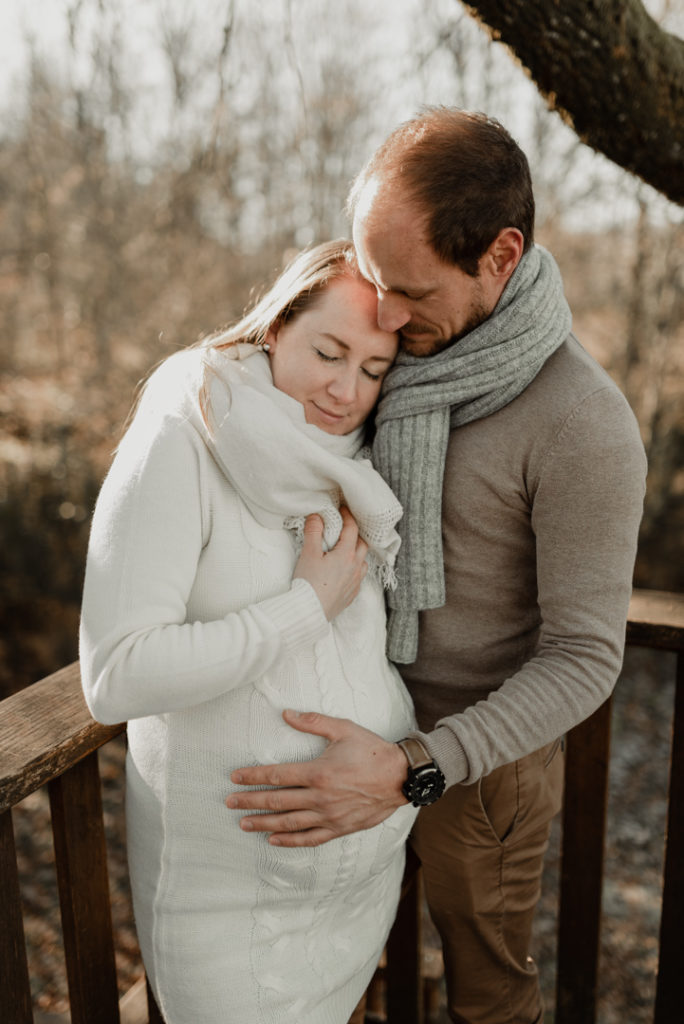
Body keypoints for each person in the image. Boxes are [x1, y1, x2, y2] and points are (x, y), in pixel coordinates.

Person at [225, 109, 648, 1024]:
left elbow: (585, 657)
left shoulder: (584, 422)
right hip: (337, 722)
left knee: (487, 1001)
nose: (383, 313)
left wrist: (415, 766)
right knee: (325, 971)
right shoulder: (382, 357)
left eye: (411, 290)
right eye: (376, 280)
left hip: (477, 767)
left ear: (500, 254)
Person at [79, 239, 419, 1024]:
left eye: (373, 371)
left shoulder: (356, 464)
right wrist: (304, 607)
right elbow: (116, 675)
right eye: (328, 352)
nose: (346, 391)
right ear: (274, 328)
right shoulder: (185, 433)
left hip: (357, 896)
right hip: (225, 915)